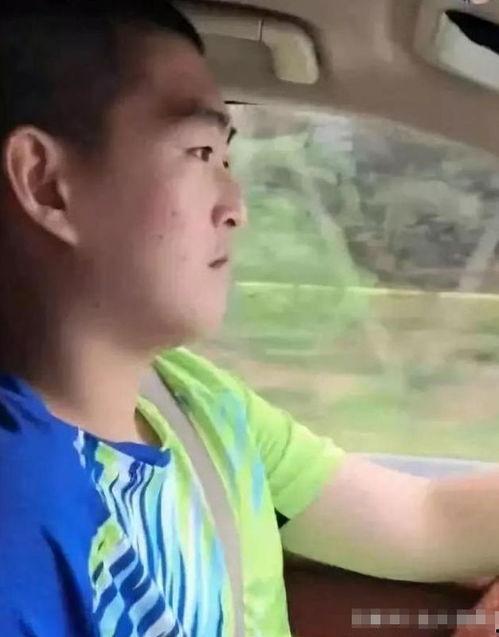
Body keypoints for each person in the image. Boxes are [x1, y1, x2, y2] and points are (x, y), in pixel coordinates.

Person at [0, 2, 498, 636]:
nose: (237, 207)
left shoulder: (195, 403)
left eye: (227, 160)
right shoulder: (19, 516)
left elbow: (424, 519)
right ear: (46, 183)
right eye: (199, 151)